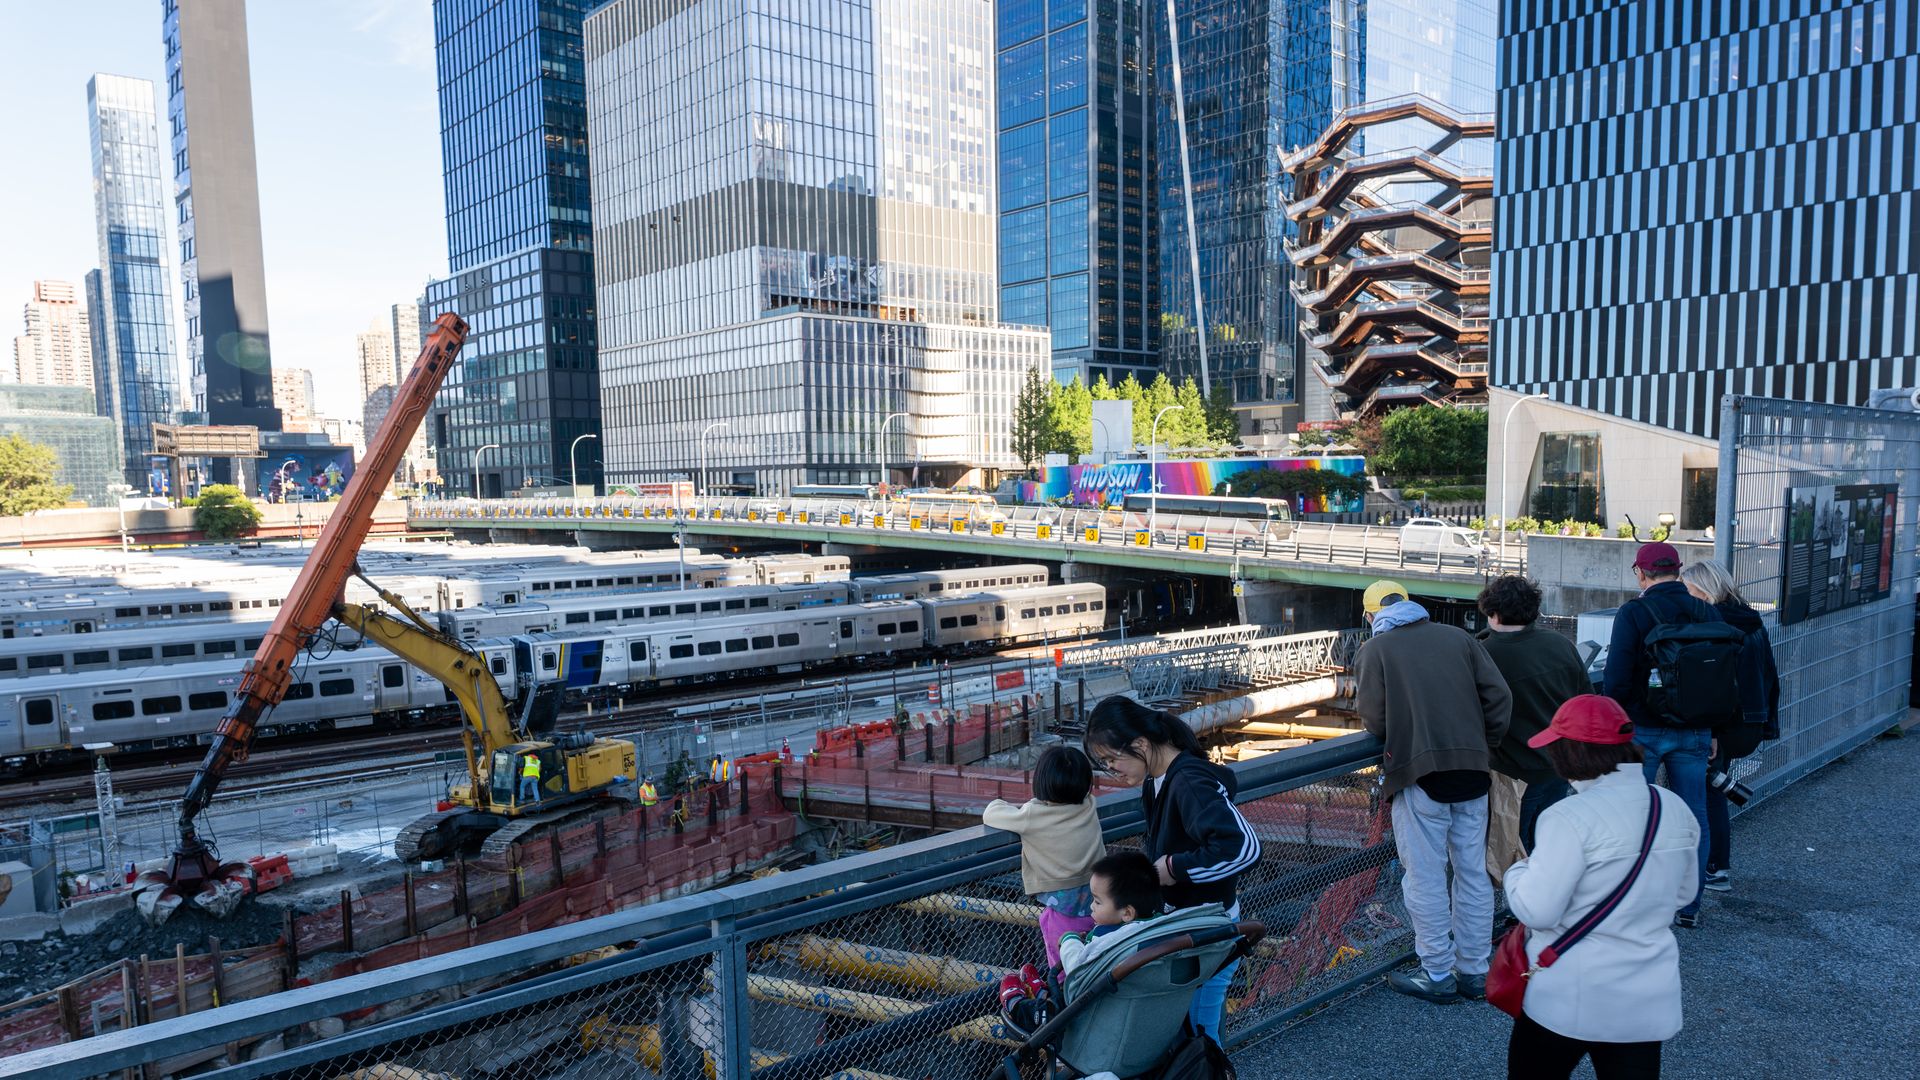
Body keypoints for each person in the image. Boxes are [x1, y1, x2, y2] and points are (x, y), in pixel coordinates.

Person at [1503, 695, 1702, 1079]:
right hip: (1645, 997)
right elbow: (1685, 893)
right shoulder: (1671, 806)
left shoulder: (1567, 817)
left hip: (1571, 995)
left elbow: (1537, 911)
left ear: (1571, 753)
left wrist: (1517, 871)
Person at [1353, 579, 1512, 1004]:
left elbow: (1374, 719)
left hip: (1419, 773)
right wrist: (1483, 744)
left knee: (1425, 876)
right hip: (1473, 769)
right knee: (1472, 873)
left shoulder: (1375, 650)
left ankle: (1437, 971)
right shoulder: (1458, 638)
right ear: (1411, 606)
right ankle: (1475, 971)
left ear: (1372, 615)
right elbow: (1499, 697)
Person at [1084, 697, 1261, 1039]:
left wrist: (1175, 867)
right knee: (1192, 1032)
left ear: (1140, 744)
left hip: (1208, 936)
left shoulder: (1188, 781)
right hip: (1192, 930)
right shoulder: (1158, 779)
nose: (1111, 770)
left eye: (1111, 759)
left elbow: (1244, 849)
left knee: (1200, 1038)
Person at [1602, 542, 1722, 928]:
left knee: (1635, 816)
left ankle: (1636, 903)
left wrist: (1615, 725)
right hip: (1695, 727)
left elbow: (1616, 678)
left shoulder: (1634, 613)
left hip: (1643, 728)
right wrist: (1713, 728)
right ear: (1678, 569)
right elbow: (1719, 676)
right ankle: (1689, 906)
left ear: (1641, 573)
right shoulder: (1706, 610)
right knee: (1694, 816)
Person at [1679, 560, 1780, 893]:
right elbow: (1768, 677)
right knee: (1714, 788)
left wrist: (1712, 732)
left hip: (1725, 724)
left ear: (1704, 590)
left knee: (1708, 793)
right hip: (1748, 721)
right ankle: (1716, 865)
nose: (1685, 596)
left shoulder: (1718, 625)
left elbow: (1721, 688)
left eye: (1688, 590)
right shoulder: (1750, 619)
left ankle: (1715, 868)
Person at [1475, 575, 1591, 852]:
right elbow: (1585, 700)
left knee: (1512, 851)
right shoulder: (1560, 644)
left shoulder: (1484, 654)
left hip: (1511, 774)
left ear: (1493, 612)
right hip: (1559, 765)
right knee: (1549, 845)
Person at [1000, 851, 1166, 1036]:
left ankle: (1016, 1006)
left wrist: (1069, 940)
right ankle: (1043, 994)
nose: (1091, 906)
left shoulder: (1106, 939)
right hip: (1132, 1011)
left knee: (1049, 1011)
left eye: (1097, 902)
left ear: (1127, 913)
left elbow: (1077, 970)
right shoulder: (1159, 928)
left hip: (1092, 1015)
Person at [984, 746, 1107, 972]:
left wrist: (1005, 803)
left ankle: (1062, 990)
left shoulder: (1032, 815)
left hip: (1061, 903)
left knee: (1062, 959)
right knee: (1093, 954)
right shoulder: (1089, 804)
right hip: (1097, 897)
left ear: (1041, 782)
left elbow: (991, 813)